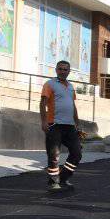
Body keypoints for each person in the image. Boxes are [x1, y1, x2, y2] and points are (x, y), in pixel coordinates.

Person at [40, 60, 83, 191]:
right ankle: (53, 182)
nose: (63, 71)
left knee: (77, 153)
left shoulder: (70, 87)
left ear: (69, 71)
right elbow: (42, 103)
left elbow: (72, 106)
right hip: (55, 124)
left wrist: (77, 123)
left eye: (65, 69)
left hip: (70, 126)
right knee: (54, 154)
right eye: (60, 69)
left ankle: (64, 178)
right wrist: (44, 121)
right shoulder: (50, 84)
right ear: (56, 70)